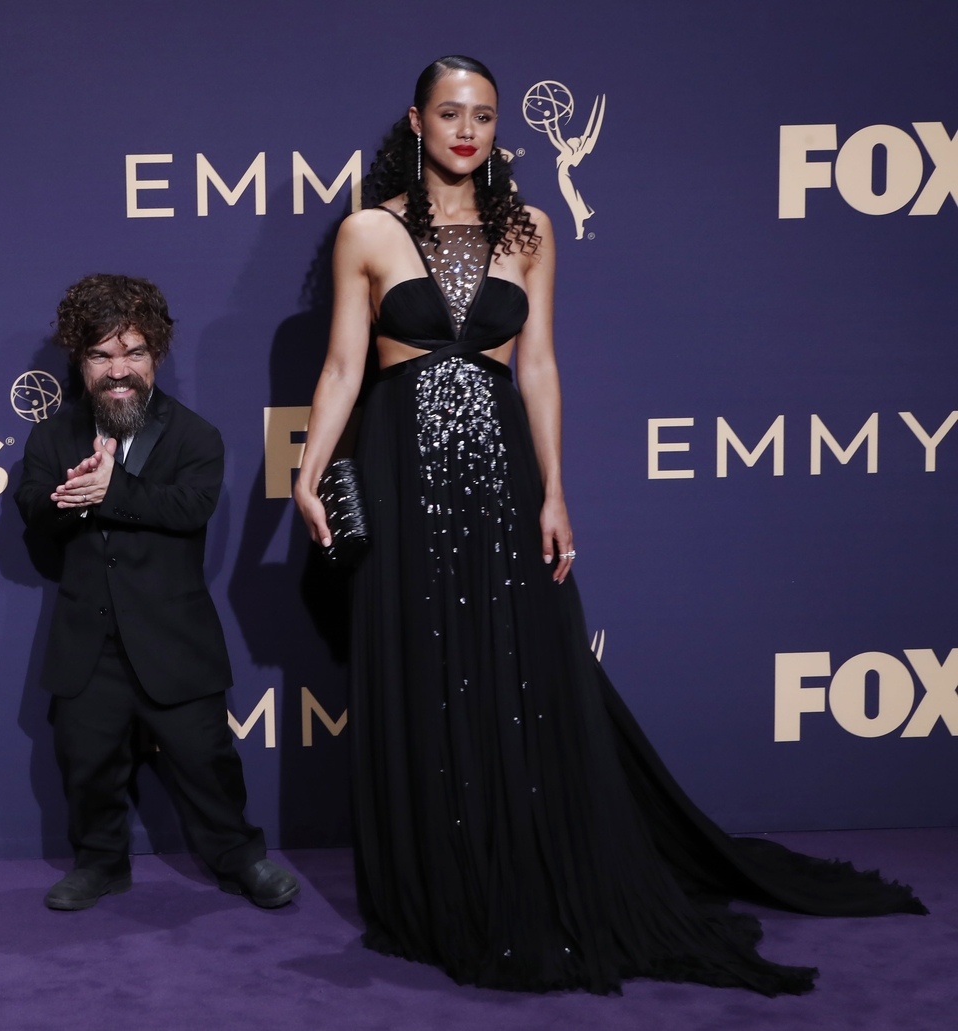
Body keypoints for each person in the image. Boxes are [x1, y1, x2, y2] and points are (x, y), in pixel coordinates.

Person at [293, 56, 925, 995]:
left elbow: (537, 364)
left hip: (503, 475)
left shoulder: (532, 228)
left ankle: (522, 863)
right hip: (397, 474)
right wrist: (307, 475)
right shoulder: (367, 230)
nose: (468, 130)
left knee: (513, 669)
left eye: (485, 116)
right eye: (451, 113)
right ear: (417, 120)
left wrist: (554, 491)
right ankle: (432, 885)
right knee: (419, 668)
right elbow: (346, 365)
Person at [15, 274, 299, 911]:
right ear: (79, 360)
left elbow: (189, 507)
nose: (120, 370)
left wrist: (110, 491)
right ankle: (100, 864)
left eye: (134, 352)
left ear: (157, 356)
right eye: (102, 355)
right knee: (86, 765)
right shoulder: (51, 438)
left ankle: (241, 860)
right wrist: (72, 495)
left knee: (209, 764)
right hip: (88, 642)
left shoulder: (195, 437)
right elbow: (34, 506)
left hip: (174, 642)